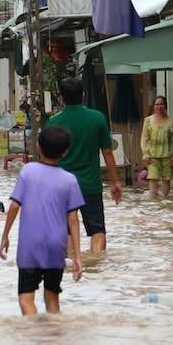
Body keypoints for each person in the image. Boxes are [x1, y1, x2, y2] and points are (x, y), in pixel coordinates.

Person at [0, 126, 85, 315]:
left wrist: (5, 236)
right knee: (52, 297)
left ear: (38, 146)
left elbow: (14, 206)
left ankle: (36, 335)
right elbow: (74, 220)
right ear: (65, 152)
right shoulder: (70, 180)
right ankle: (53, 335)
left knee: (26, 298)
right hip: (57, 245)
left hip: (31, 245)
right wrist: (77, 255)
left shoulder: (28, 172)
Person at [46, 77, 122, 253]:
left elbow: (48, 159)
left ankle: (73, 266)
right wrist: (115, 181)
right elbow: (108, 152)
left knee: (67, 232)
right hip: (90, 186)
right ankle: (96, 264)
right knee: (97, 230)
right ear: (83, 95)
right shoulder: (97, 119)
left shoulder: (53, 123)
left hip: (61, 187)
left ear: (62, 98)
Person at [141, 96, 173, 199]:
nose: (159, 106)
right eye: (157, 104)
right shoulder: (148, 121)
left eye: (161, 104)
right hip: (152, 156)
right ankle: (154, 204)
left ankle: (164, 203)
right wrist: (145, 154)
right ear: (153, 106)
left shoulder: (172, 121)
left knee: (166, 180)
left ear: (165, 105)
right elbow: (144, 139)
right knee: (153, 179)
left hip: (167, 156)